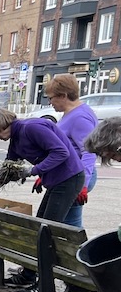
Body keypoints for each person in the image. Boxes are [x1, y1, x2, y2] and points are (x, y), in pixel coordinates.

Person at [0, 108, 85, 292]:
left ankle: (44, 285)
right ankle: (29, 274)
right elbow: (6, 172)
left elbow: (61, 152)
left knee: (47, 232)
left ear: (1, 125)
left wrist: (34, 170)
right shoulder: (16, 140)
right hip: (57, 181)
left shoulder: (32, 128)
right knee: (39, 227)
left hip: (69, 179)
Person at [43, 75, 97, 227]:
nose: (50, 102)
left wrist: (83, 185)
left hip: (76, 177)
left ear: (63, 96)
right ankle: (77, 249)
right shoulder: (73, 113)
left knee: (69, 224)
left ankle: (79, 250)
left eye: (51, 98)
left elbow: (89, 152)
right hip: (68, 176)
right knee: (70, 223)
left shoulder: (80, 117)